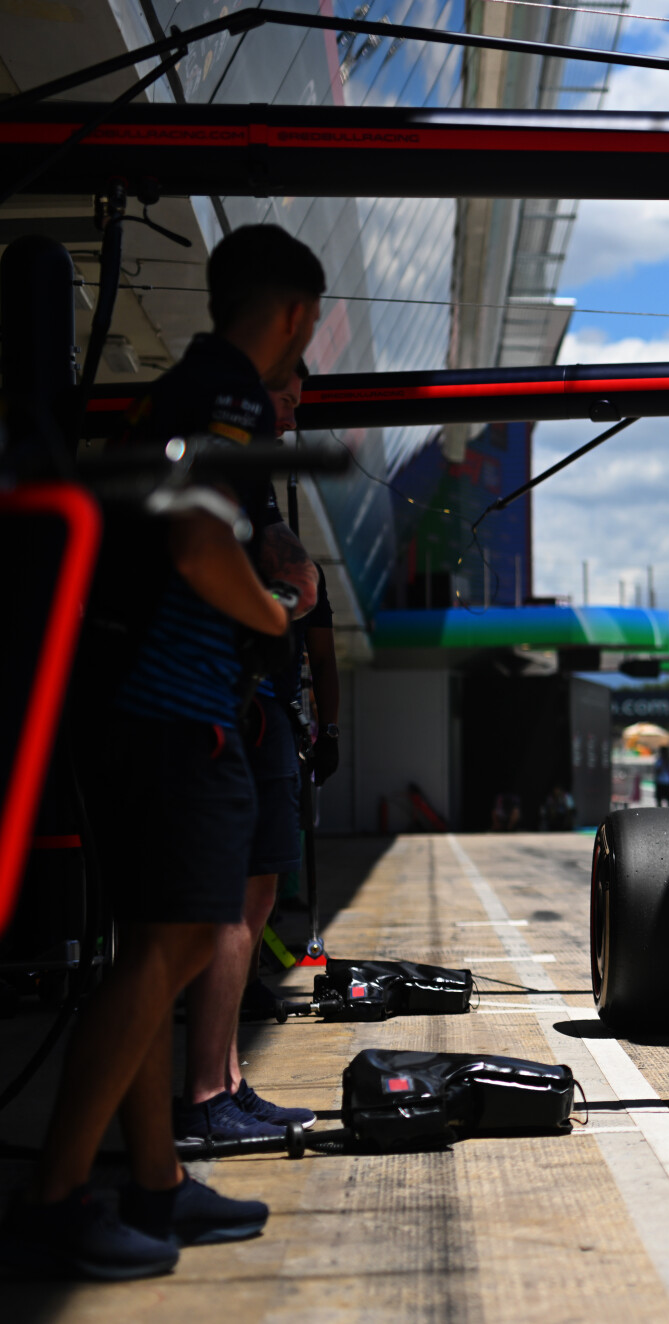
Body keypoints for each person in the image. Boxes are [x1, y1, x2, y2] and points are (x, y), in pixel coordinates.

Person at [1, 224, 324, 1278]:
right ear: (293, 319)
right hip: (179, 712)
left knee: (152, 944)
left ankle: (154, 1181)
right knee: (171, 947)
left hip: (127, 706)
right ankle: (56, 1198)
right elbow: (194, 545)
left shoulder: (181, 388)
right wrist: (274, 613)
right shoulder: (229, 391)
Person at [179, 362, 323, 1144]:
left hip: (254, 704)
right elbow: (274, 575)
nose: (293, 419)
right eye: (290, 399)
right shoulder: (228, 450)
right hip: (237, 704)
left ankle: (225, 1078)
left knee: (254, 895)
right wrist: (284, 606)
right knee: (231, 902)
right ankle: (208, 1091)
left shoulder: (252, 473)